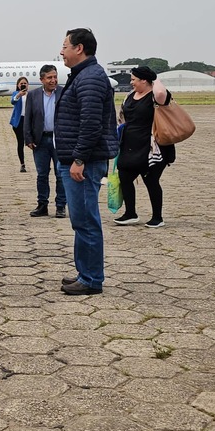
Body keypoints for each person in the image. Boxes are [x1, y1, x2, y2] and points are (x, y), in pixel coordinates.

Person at [55, 28, 119, 296]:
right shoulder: (84, 75)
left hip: (83, 162)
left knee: (86, 221)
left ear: (79, 48)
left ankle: (92, 279)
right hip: (77, 159)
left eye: (65, 46)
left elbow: (91, 124)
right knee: (80, 220)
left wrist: (79, 158)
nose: (61, 51)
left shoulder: (91, 78)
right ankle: (85, 273)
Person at [114, 66, 174, 228]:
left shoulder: (156, 97)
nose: (131, 82)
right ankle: (130, 213)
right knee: (124, 177)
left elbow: (161, 93)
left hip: (152, 148)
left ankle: (157, 217)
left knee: (151, 180)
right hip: (130, 145)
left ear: (144, 81)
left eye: (134, 79)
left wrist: (156, 79)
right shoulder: (130, 96)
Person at [24, 65, 67, 219]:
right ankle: (42, 205)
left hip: (60, 140)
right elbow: (27, 117)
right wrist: (28, 138)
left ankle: (61, 205)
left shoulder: (64, 93)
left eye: (55, 77)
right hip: (40, 141)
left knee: (61, 174)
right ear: (42, 79)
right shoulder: (33, 95)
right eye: (49, 77)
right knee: (42, 174)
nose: (53, 80)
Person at [9, 77, 29, 172]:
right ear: (18, 85)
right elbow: (13, 101)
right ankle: (22, 164)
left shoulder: (31, 95)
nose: (23, 85)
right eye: (21, 83)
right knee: (20, 143)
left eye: (25, 83)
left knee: (32, 142)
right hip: (19, 121)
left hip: (29, 121)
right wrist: (19, 95)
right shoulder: (16, 94)